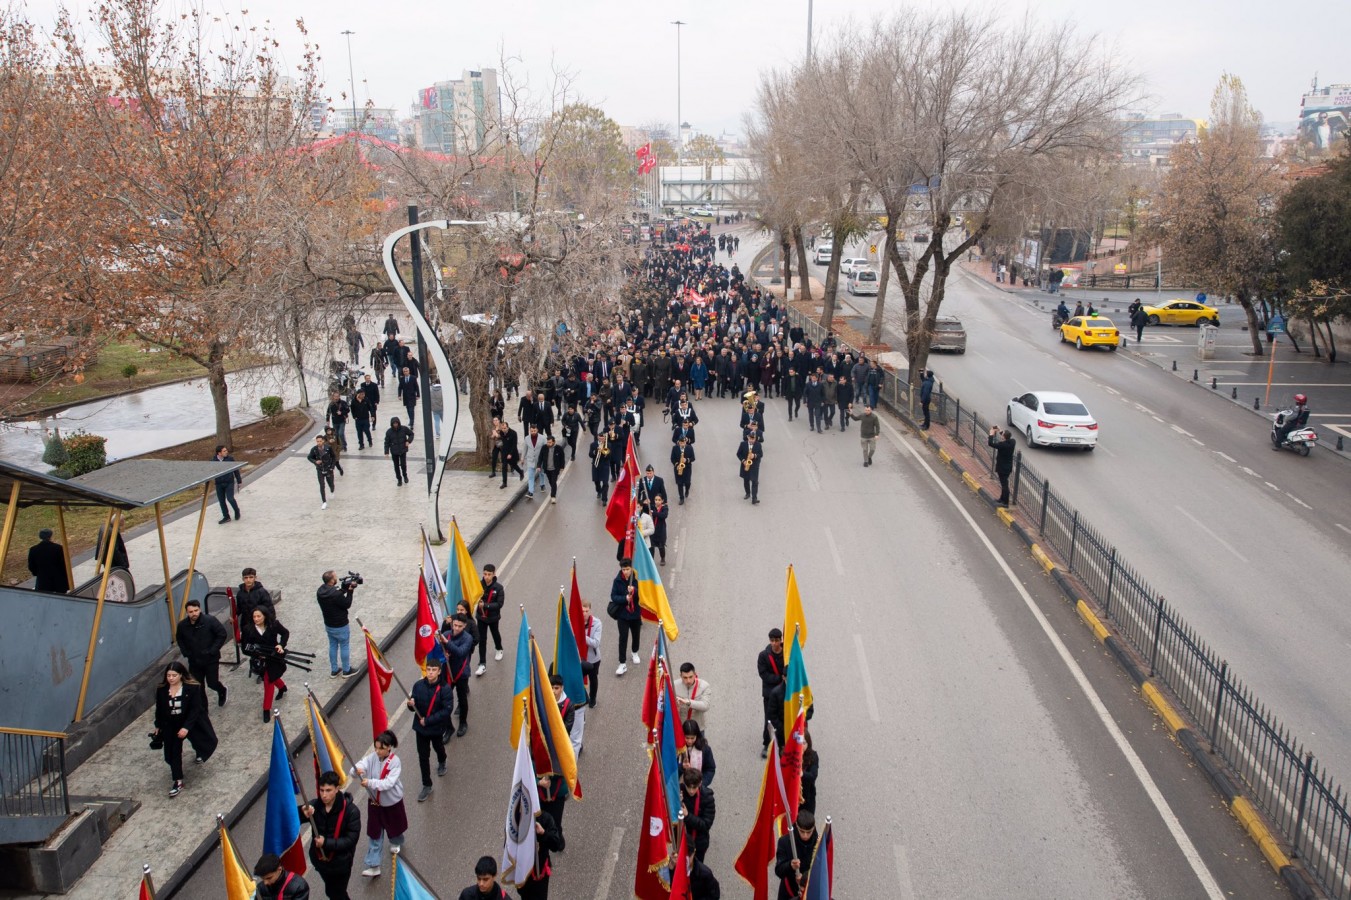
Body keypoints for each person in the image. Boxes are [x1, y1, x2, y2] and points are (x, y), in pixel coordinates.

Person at [152, 661, 217, 797]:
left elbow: (195, 710)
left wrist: (186, 727)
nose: (171, 678)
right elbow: (160, 709)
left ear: (181, 675)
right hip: (171, 724)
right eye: (169, 675)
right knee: (173, 753)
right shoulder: (162, 690)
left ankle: (199, 751)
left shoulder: (191, 688)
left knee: (199, 740)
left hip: (188, 722)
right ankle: (178, 780)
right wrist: (158, 725)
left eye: (174, 675)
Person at [300, 770, 361, 900]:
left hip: (340, 863)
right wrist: (302, 811)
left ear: (337, 789)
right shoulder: (315, 805)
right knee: (332, 890)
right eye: (322, 790)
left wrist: (326, 843)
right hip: (320, 861)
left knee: (336, 893)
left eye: (328, 790)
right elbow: (294, 817)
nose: (324, 795)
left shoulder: (351, 812)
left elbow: (351, 840)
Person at [356, 730, 407, 878]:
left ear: (389, 747)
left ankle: (396, 841)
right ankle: (373, 864)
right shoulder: (372, 758)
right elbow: (362, 763)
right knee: (374, 832)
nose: (377, 751)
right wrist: (356, 770)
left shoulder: (395, 762)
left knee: (395, 827)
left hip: (391, 803)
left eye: (381, 748)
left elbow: (388, 783)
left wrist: (370, 782)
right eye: (376, 747)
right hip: (374, 803)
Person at [407, 659, 451, 801]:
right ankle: (427, 784)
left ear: (439, 671)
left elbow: (446, 711)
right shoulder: (418, 686)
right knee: (423, 756)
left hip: (436, 728)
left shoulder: (445, 689)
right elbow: (413, 706)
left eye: (433, 670)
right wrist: (411, 704)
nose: (430, 672)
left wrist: (429, 720)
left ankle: (442, 760)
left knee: (438, 747)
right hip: (421, 729)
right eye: (428, 669)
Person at [240, 606, 289, 723]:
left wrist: (281, 645)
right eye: (254, 617)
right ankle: (282, 688)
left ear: (265, 616)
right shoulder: (248, 629)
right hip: (260, 660)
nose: (256, 619)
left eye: (259, 616)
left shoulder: (274, 624)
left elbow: (285, 633)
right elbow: (244, 648)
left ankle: (266, 709)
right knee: (270, 677)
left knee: (268, 681)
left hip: (274, 657)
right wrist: (257, 654)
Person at [176, 598, 228, 706]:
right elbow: (180, 639)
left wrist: (212, 650)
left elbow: (222, 634)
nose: (194, 613)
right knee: (198, 687)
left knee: (212, 683)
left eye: (196, 610)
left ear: (199, 610)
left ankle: (222, 690)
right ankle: (203, 711)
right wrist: (186, 652)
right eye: (191, 612)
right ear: (187, 612)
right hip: (194, 661)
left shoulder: (210, 620)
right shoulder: (182, 625)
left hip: (211, 660)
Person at [516, 808, 564, 900]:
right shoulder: (514, 820)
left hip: (539, 870)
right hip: (523, 871)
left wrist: (543, 833)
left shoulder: (545, 818)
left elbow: (556, 845)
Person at [316, 571, 356, 678]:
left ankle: (334, 670)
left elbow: (336, 595)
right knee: (344, 645)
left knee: (333, 645)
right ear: (332, 580)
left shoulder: (320, 592)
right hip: (341, 624)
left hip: (329, 624)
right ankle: (346, 670)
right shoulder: (336, 594)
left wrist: (342, 590)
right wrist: (350, 592)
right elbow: (346, 604)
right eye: (335, 577)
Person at [774, 810, 820, 900]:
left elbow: (819, 868)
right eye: (802, 831)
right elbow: (779, 871)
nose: (805, 836)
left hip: (809, 892)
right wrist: (790, 865)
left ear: (814, 828)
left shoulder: (818, 844)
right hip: (789, 891)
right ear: (797, 827)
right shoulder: (784, 842)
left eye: (809, 832)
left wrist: (804, 879)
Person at [609, 558, 642, 675]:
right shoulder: (617, 581)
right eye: (623, 569)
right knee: (623, 638)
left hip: (635, 614)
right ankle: (622, 663)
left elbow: (642, 595)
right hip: (623, 615)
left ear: (631, 568)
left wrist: (635, 591)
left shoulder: (636, 579)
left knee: (636, 635)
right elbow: (613, 596)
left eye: (627, 569)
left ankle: (635, 652)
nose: (626, 572)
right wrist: (625, 598)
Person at [758, 628, 786, 756]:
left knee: (783, 719)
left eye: (776, 640)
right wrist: (779, 678)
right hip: (770, 694)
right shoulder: (763, 656)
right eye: (772, 641)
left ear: (781, 640)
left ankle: (782, 744)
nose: (774, 643)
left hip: (785, 692)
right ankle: (766, 743)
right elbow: (763, 674)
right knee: (769, 719)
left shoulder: (787, 654)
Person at [474, 564, 506, 674]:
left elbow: (499, 604)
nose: (486, 577)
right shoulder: (478, 585)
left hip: (493, 617)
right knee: (482, 640)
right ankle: (482, 664)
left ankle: (499, 648)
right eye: (485, 574)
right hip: (481, 618)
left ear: (494, 574)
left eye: (489, 574)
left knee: (495, 633)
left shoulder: (498, 588)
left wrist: (486, 606)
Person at [680, 767, 716, 863]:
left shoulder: (707, 798)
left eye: (694, 787)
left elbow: (706, 825)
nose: (691, 791)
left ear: (700, 783)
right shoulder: (680, 792)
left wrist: (687, 816)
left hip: (698, 843)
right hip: (681, 839)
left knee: (695, 870)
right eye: (689, 787)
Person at [236, 568, 275, 641]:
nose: (248, 580)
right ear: (242, 579)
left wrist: (270, 626)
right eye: (246, 578)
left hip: (259, 624)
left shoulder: (262, 592)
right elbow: (239, 608)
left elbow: (270, 610)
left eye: (251, 577)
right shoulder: (240, 593)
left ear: (255, 578)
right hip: (246, 625)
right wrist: (234, 615)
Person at [27, 528, 68, 593]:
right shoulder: (58, 548)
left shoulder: (33, 550)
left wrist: (38, 573)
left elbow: (31, 566)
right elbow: (64, 564)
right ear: (50, 536)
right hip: (58, 580)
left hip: (43, 580)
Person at [674, 661, 712, 732]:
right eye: (685, 677)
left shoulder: (704, 686)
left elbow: (706, 706)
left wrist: (688, 702)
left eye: (690, 677)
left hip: (697, 729)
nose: (688, 680)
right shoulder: (673, 685)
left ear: (695, 674)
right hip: (680, 728)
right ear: (680, 676)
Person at [680, 719, 717, 788]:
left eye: (692, 738)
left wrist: (702, 784)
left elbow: (710, 769)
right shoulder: (678, 750)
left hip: (699, 786)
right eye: (687, 738)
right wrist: (682, 767)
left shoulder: (705, 749)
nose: (689, 741)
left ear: (697, 736)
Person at [580, 599, 602, 707]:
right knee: (578, 679)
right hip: (580, 659)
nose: (584, 614)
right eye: (582, 611)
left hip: (593, 658)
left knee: (593, 679)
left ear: (590, 610)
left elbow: (596, 643)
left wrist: (582, 637)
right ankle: (582, 698)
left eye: (586, 611)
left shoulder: (597, 623)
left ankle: (593, 698)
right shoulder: (575, 622)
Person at [987, 426, 1016, 506]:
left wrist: (991, 434)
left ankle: (1005, 502)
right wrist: (1000, 430)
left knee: (1004, 485)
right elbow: (1007, 437)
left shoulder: (1002, 445)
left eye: (1002, 435)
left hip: (1002, 468)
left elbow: (990, 443)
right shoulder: (1012, 442)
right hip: (1008, 467)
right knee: (1004, 483)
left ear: (1003, 437)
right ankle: (1002, 498)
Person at [213, 445, 242, 523]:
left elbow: (236, 470)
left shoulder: (230, 459)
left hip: (229, 482)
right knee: (221, 501)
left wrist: (239, 481)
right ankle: (226, 517)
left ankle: (237, 511)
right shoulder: (213, 461)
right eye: (224, 451)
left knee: (230, 498)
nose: (226, 452)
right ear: (219, 453)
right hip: (219, 484)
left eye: (226, 450)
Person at [307, 435, 337, 509]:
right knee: (321, 485)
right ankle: (324, 502)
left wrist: (332, 467)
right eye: (317, 441)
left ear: (323, 441)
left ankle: (332, 490)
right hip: (320, 469)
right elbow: (309, 457)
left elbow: (334, 457)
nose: (319, 443)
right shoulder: (314, 449)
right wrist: (315, 461)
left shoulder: (328, 448)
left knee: (330, 483)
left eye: (320, 441)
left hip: (328, 469)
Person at [384, 416, 413, 486]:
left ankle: (405, 476)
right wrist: (386, 452)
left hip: (403, 450)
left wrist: (408, 441)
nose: (395, 425)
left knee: (403, 465)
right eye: (394, 423)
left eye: (396, 423)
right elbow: (386, 442)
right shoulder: (389, 432)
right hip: (394, 451)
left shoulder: (404, 429)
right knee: (396, 466)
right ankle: (399, 479)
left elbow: (411, 434)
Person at [521, 424, 547, 501]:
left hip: (540, 460)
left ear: (537, 430)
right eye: (531, 431)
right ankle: (531, 492)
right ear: (530, 430)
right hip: (530, 460)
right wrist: (522, 458)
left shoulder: (542, 438)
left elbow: (546, 449)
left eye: (534, 431)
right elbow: (524, 449)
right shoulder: (527, 438)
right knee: (531, 476)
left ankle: (542, 484)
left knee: (541, 473)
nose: (533, 432)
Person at [736, 432, 764, 504]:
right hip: (745, 465)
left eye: (753, 439)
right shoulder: (743, 444)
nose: (752, 440)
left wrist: (754, 455)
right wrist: (743, 461)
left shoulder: (758, 445)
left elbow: (761, 454)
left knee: (755, 482)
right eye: (751, 438)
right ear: (748, 437)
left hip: (754, 466)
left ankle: (754, 498)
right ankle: (748, 493)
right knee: (746, 480)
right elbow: (738, 454)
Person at [589, 431, 612, 503]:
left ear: (605, 438)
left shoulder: (608, 445)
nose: (601, 440)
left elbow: (609, 456)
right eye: (600, 438)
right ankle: (599, 491)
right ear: (598, 438)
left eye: (603, 438)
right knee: (596, 481)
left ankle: (604, 499)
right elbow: (590, 455)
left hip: (605, 466)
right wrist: (596, 451)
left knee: (605, 483)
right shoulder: (593, 445)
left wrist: (603, 452)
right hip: (596, 465)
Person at [671, 436, 695, 504]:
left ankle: (687, 490)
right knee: (679, 483)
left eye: (684, 442)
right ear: (679, 442)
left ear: (685, 442)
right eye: (681, 443)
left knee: (688, 483)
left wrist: (687, 460)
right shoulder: (675, 448)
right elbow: (672, 458)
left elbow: (693, 458)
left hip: (687, 468)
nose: (682, 444)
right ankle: (681, 498)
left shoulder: (690, 448)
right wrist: (676, 465)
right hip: (678, 468)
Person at [650, 494, 670, 565]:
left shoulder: (665, 508)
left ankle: (662, 558)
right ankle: (651, 560)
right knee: (651, 547)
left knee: (661, 547)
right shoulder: (651, 507)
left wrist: (653, 513)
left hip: (661, 530)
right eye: (656, 500)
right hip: (652, 530)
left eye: (659, 500)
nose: (657, 501)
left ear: (662, 501)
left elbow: (664, 515)